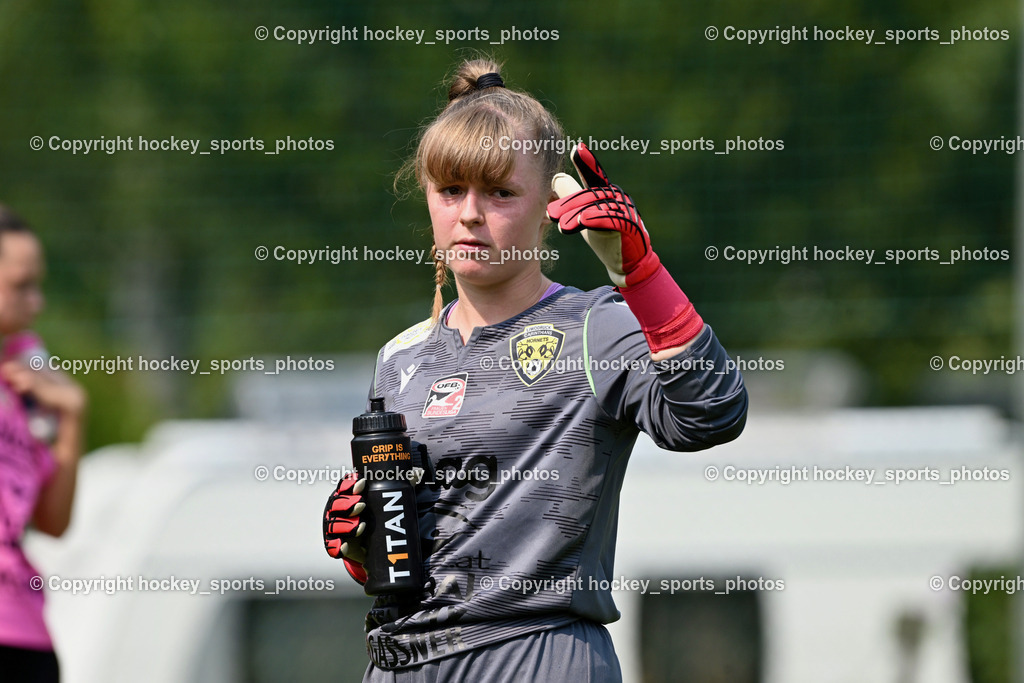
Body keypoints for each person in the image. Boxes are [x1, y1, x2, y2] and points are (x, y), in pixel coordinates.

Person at [324, 58, 747, 682]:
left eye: (499, 192)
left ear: (549, 202)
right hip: (401, 665)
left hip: (535, 654)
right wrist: (364, 545)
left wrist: (641, 274)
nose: (470, 213)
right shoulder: (401, 357)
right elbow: (419, 543)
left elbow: (711, 414)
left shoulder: (593, 326)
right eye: (451, 190)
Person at [0, 205, 87, 683]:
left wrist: (71, 415)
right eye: (21, 285)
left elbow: (53, 522)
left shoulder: (23, 389)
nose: (36, 303)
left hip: (26, 632)